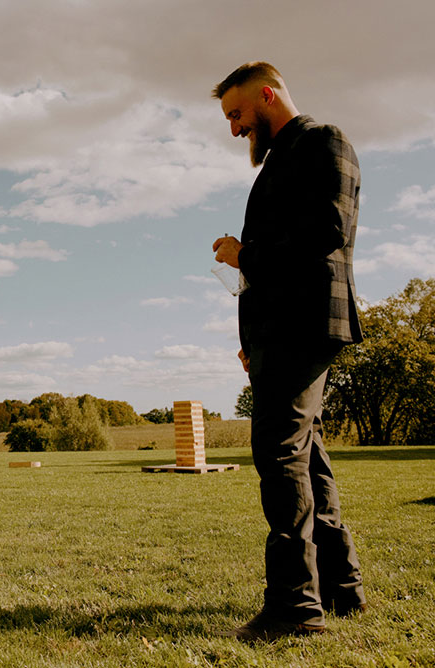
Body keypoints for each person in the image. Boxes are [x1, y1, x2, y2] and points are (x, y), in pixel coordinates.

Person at [211, 61, 367, 642]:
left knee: (278, 457)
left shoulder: (325, 142)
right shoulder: (278, 162)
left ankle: (295, 609)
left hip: (305, 325)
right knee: (308, 455)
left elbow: (329, 229)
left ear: (268, 95)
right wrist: (253, 340)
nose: (232, 129)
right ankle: (341, 588)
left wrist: (243, 251)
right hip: (282, 330)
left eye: (236, 114)